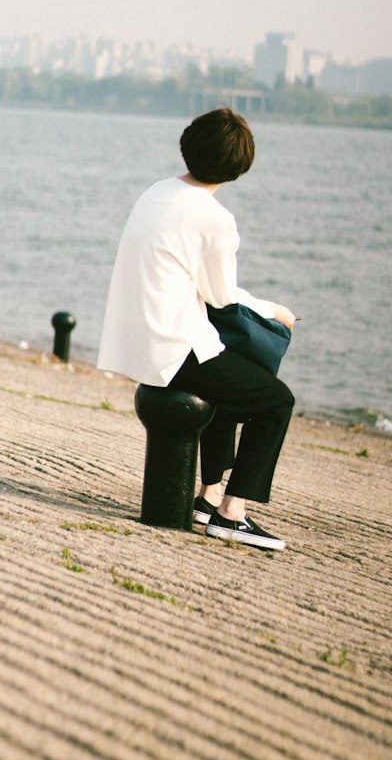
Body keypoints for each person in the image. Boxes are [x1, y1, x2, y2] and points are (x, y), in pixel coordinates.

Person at [97, 107, 296, 551]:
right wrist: (275, 310)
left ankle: (208, 496)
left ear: (189, 145)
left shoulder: (156, 192)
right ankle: (233, 512)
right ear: (239, 167)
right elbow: (222, 297)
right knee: (276, 402)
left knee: (231, 369)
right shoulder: (214, 218)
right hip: (173, 349)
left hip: (137, 342)